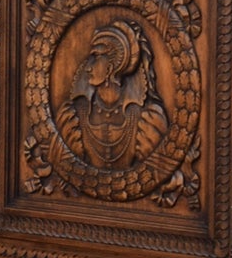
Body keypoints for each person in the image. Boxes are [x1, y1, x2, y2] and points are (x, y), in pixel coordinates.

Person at [55, 18, 168, 172]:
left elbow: (159, 171)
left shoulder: (146, 118)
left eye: (95, 57)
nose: (88, 67)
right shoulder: (73, 115)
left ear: (112, 66)